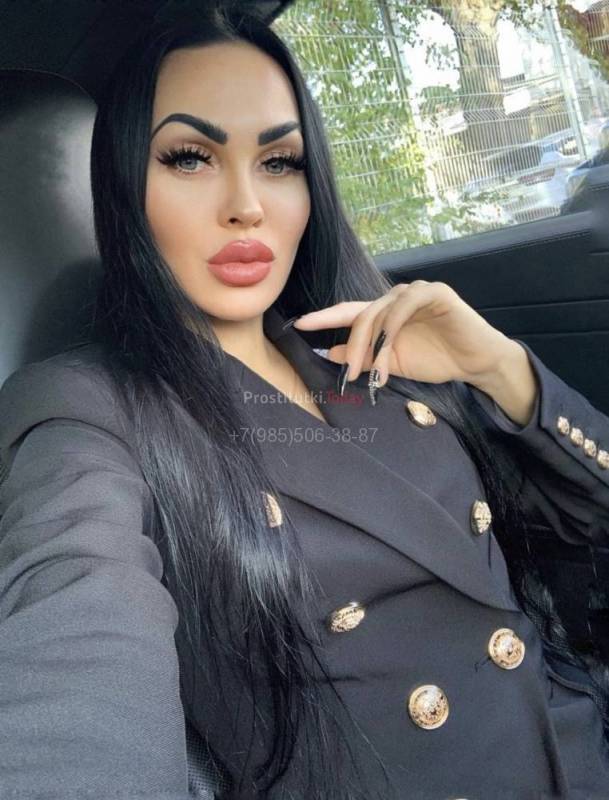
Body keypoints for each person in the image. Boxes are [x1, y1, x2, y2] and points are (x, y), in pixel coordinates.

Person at [1, 5, 609, 799]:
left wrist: (497, 367)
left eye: (278, 161)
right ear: (123, 185)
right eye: (190, 157)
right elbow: (77, 650)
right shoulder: (87, 408)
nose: (246, 204)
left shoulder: (365, 348)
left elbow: (587, 525)